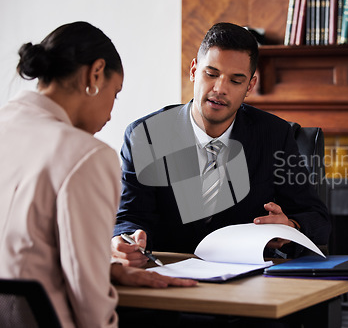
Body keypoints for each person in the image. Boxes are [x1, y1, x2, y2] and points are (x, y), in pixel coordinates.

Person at [0, 21, 196, 328]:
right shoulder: (87, 155)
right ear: (95, 73)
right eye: (115, 93)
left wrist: (109, 269)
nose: (110, 113)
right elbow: (88, 298)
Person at [111, 22, 331, 267]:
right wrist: (126, 239)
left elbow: (318, 220)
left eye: (236, 81)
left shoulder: (275, 135)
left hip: (248, 281)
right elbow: (129, 216)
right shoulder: (145, 136)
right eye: (211, 74)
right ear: (194, 70)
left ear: (250, 86)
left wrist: (291, 226)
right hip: (167, 273)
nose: (219, 89)